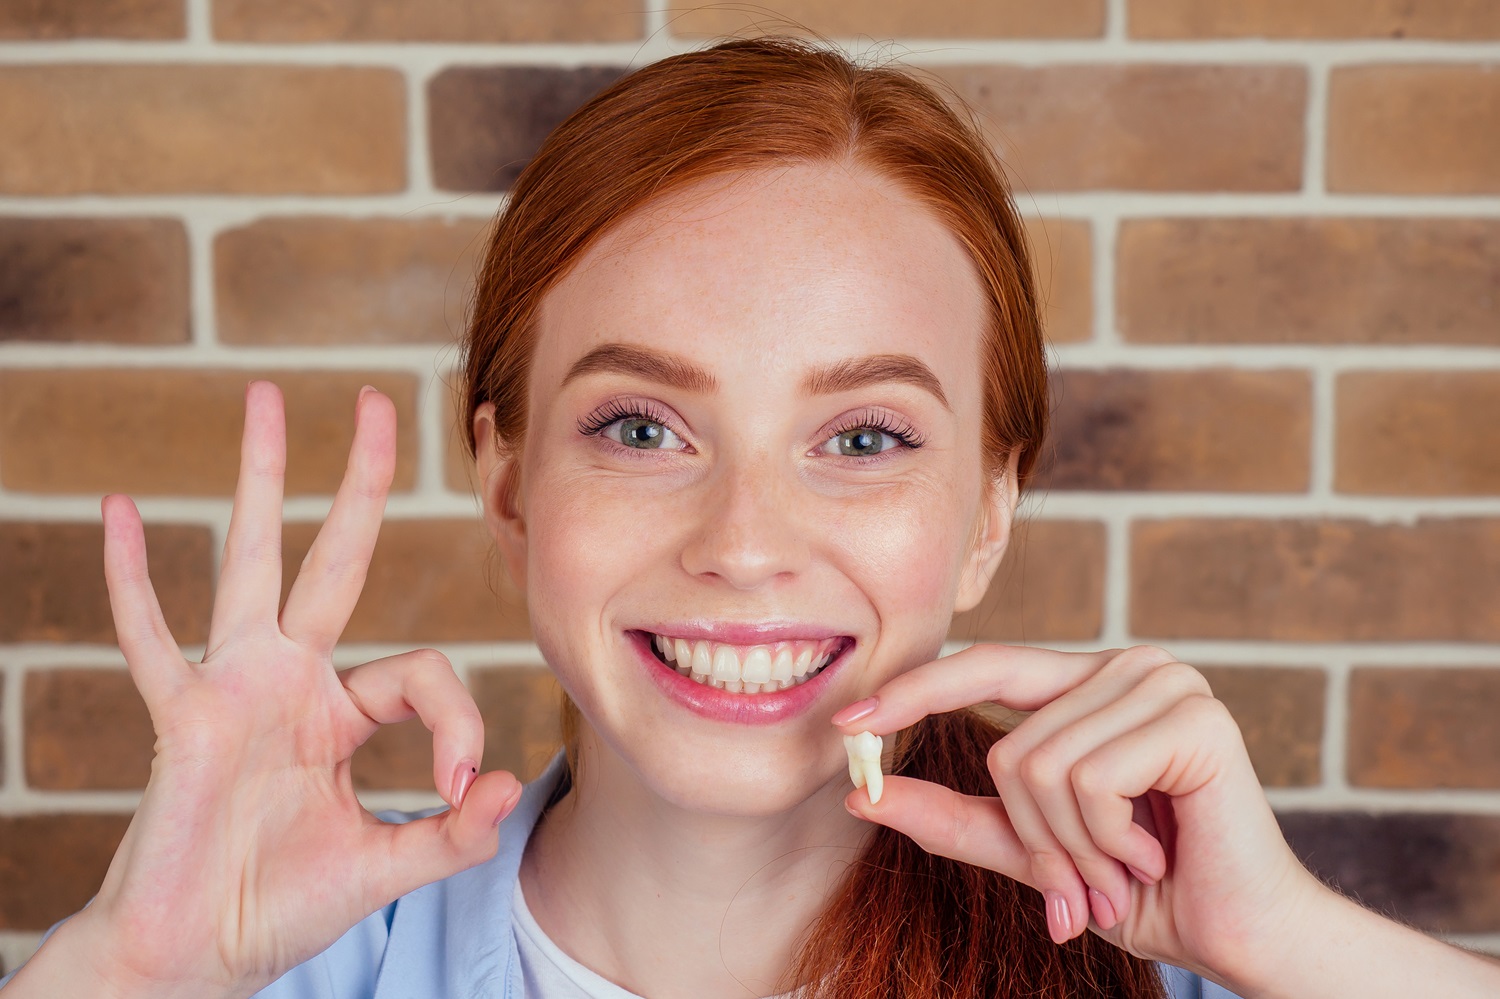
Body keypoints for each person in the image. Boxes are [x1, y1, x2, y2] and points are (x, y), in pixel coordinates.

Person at [2, 35, 1498, 999]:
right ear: (511, 479)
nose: (745, 539)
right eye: (642, 426)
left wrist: (1287, 941)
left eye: (861, 436)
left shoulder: (1175, 966)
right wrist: (122, 971)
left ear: (990, 509)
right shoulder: (269, 969)